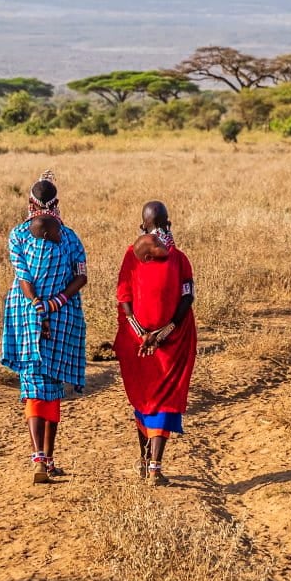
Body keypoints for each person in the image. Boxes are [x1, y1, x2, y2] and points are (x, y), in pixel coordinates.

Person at [1, 172, 88, 484]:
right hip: (62, 315)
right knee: (53, 388)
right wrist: (56, 302)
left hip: (26, 314)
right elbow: (81, 277)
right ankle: (48, 458)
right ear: (57, 204)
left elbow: (24, 277)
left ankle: (39, 457)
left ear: (29, 203)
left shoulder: (18, 235)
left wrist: (38, 304)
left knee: (33, 385)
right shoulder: (71, 238)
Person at [114, 200, 197, 485]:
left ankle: (143, 460)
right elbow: (188, 298)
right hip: (172, 341)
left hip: (137, 342)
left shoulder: (130, 256)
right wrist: (165, 332)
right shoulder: (180, 259)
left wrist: (141, 334)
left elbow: (123, 297)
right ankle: (155, 468)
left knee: (145, 397)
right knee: (165, 399)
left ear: (143, 226)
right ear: (168, 223)